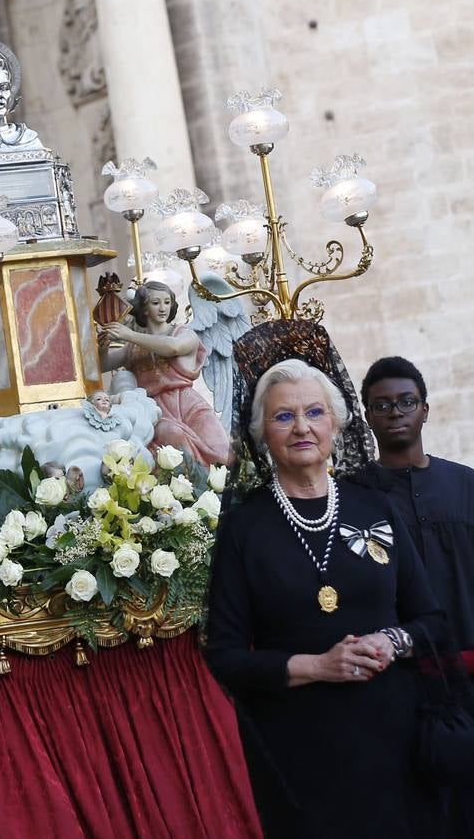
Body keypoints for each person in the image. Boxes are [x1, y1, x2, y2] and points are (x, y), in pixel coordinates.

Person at [204, 358, 444, 837]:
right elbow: (224, 656)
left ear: (336, 423)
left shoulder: (376, 507)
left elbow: (432, 619)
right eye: (283, 416)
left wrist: (391, 642)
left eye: (314, 412)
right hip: (298, 747)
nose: (301, 428)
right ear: (262, 434)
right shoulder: (243, 529)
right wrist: (318, 666)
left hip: (394, 735)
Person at [355, 356, 474, 662]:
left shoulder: (466, 484)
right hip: (398, 668)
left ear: (425, 410)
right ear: (367, 416)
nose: (395, 413)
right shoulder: (354, 495)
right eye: (381, 405)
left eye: (406, 402)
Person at [98, 280, 229, 465]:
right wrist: (103, 346)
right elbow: (103, 365)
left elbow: (173, 348)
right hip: (154, 411)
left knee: (220, 449)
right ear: (144, 308)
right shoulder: (133, 348)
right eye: (155, 302)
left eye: (167, 302)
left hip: (188, 405)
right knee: (171, 439)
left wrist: (128, 335)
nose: (162, 308)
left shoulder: (184, 334)